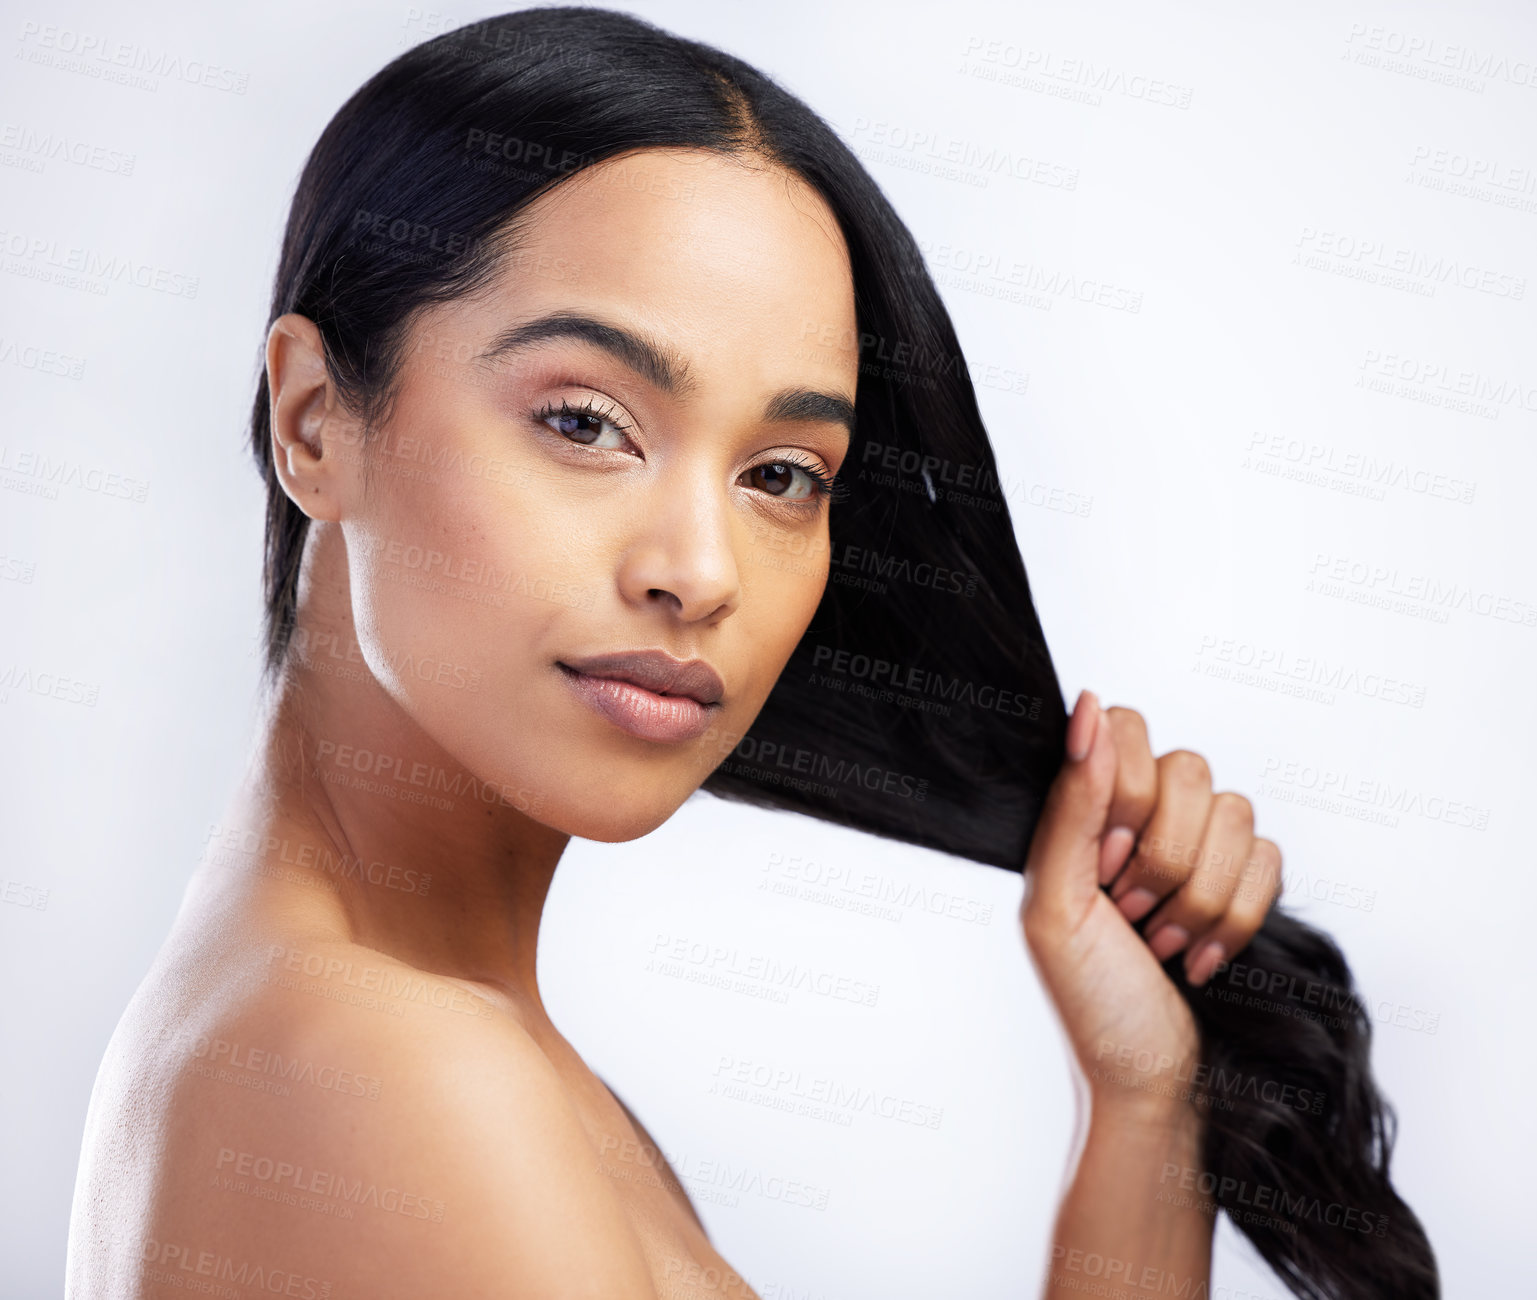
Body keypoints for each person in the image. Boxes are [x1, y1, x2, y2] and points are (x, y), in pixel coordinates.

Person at [64, 9, 1438, 1297]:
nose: (700, 572)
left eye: (781, 474)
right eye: (587, 422)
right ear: (314, 422)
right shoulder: (379, 1066)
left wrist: (1142, 1103)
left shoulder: (376, 1040)